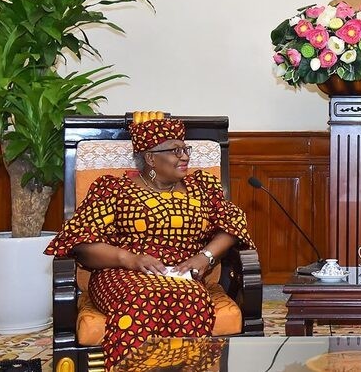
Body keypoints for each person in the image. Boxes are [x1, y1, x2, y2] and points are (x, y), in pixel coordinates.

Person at [45, 116, 254, 370]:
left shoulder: (202, 188)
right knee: (140, 297)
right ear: (151, 158)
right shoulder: (115, 190)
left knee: (189, 298)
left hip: (180, 275)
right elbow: (79, 242)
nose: (184, 156)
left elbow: (234, 223)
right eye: (175, 150)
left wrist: (205, 257)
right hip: (121, 273)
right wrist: (130, 259)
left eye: (185, 149)